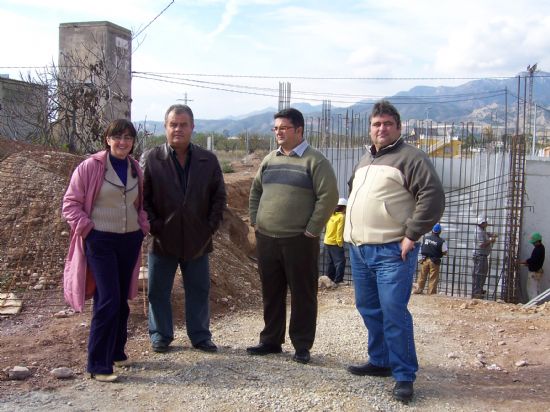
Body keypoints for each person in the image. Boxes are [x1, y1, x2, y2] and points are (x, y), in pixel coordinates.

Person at [343, 100, 445, 403]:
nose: (381, 128)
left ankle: (403, 375)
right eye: (376, 124)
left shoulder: (411, 158)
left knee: (393, 312)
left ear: (398, 128)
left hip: (391, 251)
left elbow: (433, 196)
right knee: (369, 308)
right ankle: (380, 361)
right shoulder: (365, 160)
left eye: (388, 123)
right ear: (370, 128)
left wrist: (412, 234)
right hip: (359, 250)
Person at [247, 107, 339, 364]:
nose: (278, 133)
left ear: (299, 130)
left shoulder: (315, 161)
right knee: (271, 291)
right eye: (275, 128)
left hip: (300, 240)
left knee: (303, 293)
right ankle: (271, 341)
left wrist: (312, 229)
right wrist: (255, 221)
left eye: (284, 128)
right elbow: (255, 191)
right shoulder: (269, 160)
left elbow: (329, 196)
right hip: (267, 239)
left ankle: (301, 345)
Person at [62, 119, 149, 382]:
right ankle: (98, 364)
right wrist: (87, 229)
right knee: (108, 299)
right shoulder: (91, 167)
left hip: (129, 240)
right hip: (100, 241)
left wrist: (142, 225)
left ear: (133, 142)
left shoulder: (135, 168)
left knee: (121, 299)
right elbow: (70, 204)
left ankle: (116, 352)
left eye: (128, 138)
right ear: (107, 139)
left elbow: (139, 203)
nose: (123, 142)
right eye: (117, 137)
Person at [141, 104, 226, 354]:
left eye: (183, 124)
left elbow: (218, 198)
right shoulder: (151, 158)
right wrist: (155, 226)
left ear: (192, 127)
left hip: (198, 240)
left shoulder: (207, 160)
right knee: (158, 291)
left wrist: (209, 228)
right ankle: (160, 335)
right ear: (165, 127)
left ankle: (200, 336)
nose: (178, 129)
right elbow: (142, 199)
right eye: (173, 124)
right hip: (162, 239)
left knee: (199, 290)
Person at [414, 223, 448, 295]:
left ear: (432, 231)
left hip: (424, 259)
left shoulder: (426, 238)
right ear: (440, 232)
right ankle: (431, 293)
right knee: (433, 278)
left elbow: (422, 247)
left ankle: (418, 290)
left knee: (422, 276)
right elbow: (445, 252)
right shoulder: (441, 241)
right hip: (434, 261)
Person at [471, 216, 497, 299]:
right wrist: (491, 241)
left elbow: (485, 234)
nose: (487, 224)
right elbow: (481, 244)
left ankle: (479, 289)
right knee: (479, 274)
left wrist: (490, 234)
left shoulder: (481, 230)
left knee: (482, 273)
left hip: (482, 255)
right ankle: (476, 292)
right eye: (486, 222)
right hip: (480, 255)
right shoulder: (479, 232)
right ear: (482, 223)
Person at [323, 198, 348, 284]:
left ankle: (329, 280)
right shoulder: (341, 217)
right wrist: (340, 243)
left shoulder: (331, 215)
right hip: (335, 243)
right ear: (344, 207)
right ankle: (338, 280)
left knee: (331, 262)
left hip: (327, 241)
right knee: (340, 262)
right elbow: (339, 231)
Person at [520, 232, 545, 301]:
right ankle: (538, 305)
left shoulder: (538, 249)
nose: (533, 244)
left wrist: (525, 262)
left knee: (531, 290)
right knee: (537, 289)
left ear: (538, 241)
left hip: (534, 272)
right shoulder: (541, 247)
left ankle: (534, 305)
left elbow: (533, 260)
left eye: (534, 242)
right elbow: (536, 261)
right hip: (538, 271)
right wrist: (528, 264)